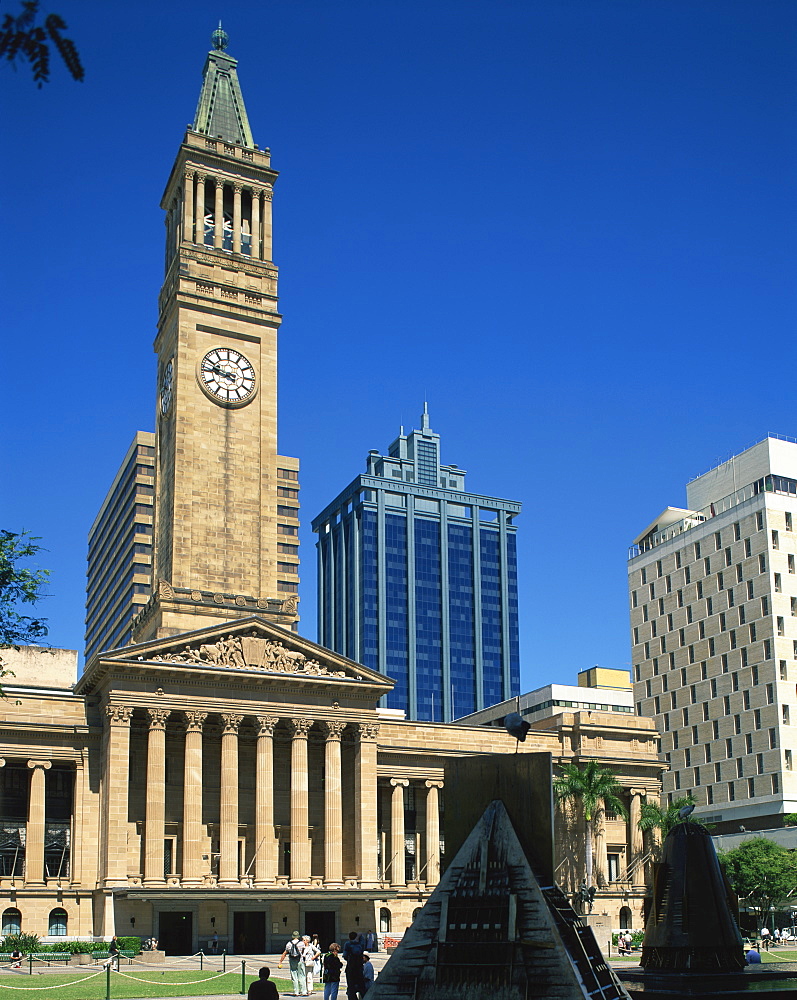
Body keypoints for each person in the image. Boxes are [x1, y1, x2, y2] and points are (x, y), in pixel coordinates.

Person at [279, 931, 305, 997]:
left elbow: (284, 953)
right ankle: (303, 991)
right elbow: (303, 952)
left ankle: (296, 992)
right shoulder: (301, 943)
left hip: (292, 960)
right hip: (300, 960)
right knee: (302, 975)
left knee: (294, 976)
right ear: (298, 936)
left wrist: (280, 961)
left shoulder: (289, 944)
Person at [342, 931, 365, 1000]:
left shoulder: (347, 944)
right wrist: (358, 937)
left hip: (351, 967)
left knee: (351, 987)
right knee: (361, 986)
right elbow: (362, 940)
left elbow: (345, 955)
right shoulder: (360, 944)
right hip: (359, 967)